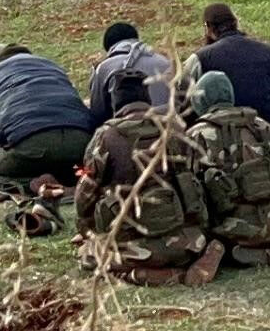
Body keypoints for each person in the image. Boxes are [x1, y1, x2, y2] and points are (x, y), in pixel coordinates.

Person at [74, 101, 216, 286]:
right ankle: (202, 258)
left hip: (132, 248)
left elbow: (83, 200)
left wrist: (87, 227)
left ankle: (142, 275)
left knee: (88, 255)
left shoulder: (107, 136)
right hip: (186, 245)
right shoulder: (175, 130)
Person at [184, 69, 270, 268]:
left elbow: (193, 193)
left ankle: (243, 253)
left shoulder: (197, 135)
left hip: (233, 228)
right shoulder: (262, 126)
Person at [0, 47, 92, 194]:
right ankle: (73, 183)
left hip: (32, 141)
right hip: (81, 140)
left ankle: (36, 185)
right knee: (72, 168)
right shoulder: (54, 68)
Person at [195, 3, 270, 139]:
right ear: (235, 23)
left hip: (221, 137)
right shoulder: (268, 51)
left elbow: (186, 98)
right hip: (269, 134)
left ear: (208, 27)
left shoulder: (202, 57)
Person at [90, 22, 178, 120]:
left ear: (108, 47)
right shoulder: (164, 62)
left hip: (125, 130)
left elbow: (97, 113)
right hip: (166, 127)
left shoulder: (105, 67)